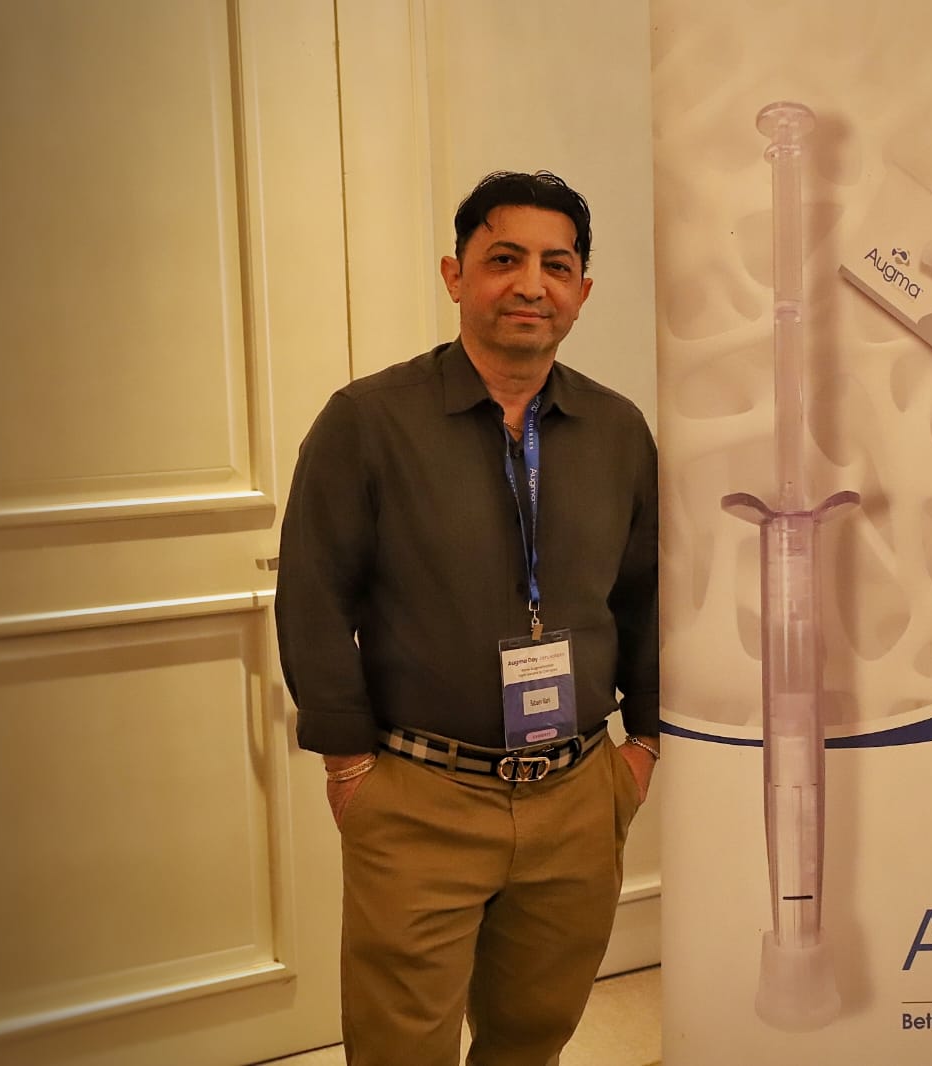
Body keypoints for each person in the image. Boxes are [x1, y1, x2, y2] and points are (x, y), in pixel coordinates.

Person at [275, 170, 659, 1066]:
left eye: (556, 265)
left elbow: (645, 593)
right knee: (400, 1049)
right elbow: (315, 597)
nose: (531, 285)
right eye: (504, 259)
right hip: (421, 798)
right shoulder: (368, 422)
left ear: (583, 290)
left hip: (577, 795)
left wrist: (641, 747)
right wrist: (350, 767)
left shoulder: (616, 430)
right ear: (456, 276)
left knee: (532, 1040)